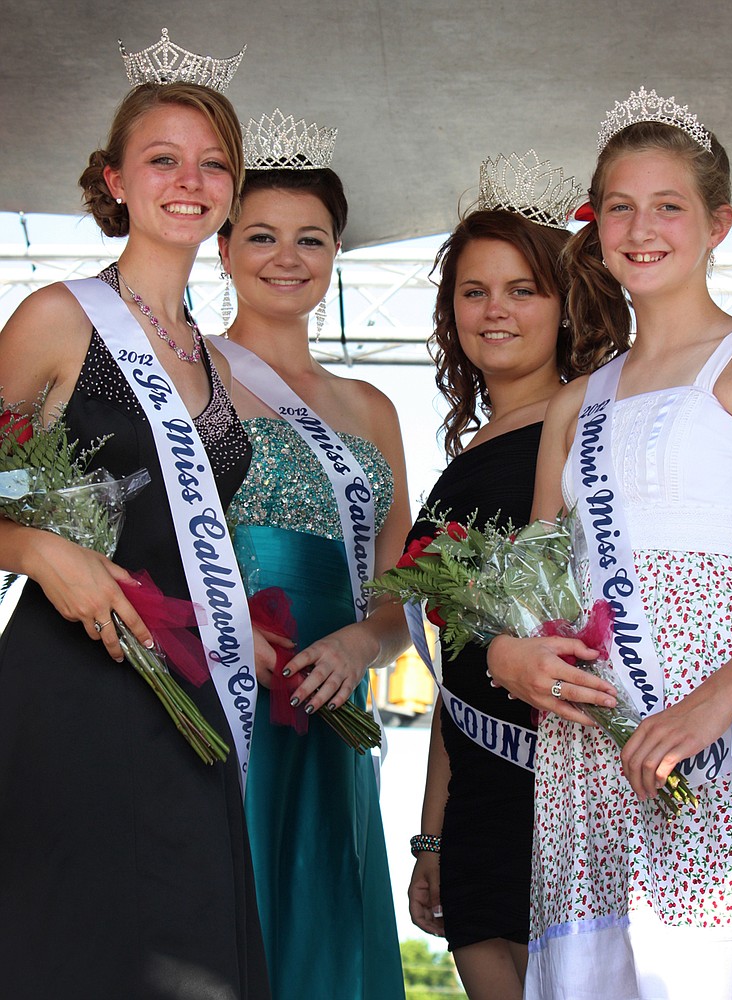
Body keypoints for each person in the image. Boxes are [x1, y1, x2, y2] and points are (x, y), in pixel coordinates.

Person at [488, 88, 732, 999]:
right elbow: (534, 588)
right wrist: (514, 652)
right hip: (593, 740)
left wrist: (711, 707)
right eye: (619, 206)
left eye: (669, 205)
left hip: (722, 720)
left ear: (718, 224)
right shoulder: (574, 402)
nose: (641, 226)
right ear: (594, 226)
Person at [0, 69, 271, 998]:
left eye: (212, 164)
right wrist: (37, 549)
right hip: (70, 681)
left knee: (191, 953)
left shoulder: (219, 363)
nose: (188, 179)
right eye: (162, 159)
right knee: (75, 944)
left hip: (187, 695)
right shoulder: (59, 316)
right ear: (114, 179)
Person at [216, 109, 408, 1000]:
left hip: (334, 697)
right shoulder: (183, 377)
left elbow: (399, 585)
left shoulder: (371, 408)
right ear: (221, 248)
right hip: (217, 684)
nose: (286, 257)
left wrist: (365, 644)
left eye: (311, 239)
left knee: (323, 904)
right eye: (261, 235)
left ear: (336, 255)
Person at [406, 151, 585, 1000]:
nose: (496, 311)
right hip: (478, 795)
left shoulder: (591, 427)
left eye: (523, 289)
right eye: (475, 291)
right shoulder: (469, 451)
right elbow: (457, 661)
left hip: (560, 786)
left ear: (566, 304)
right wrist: (432, 835)